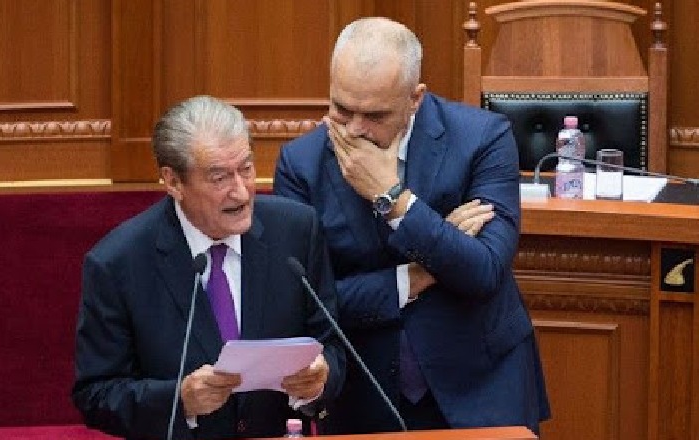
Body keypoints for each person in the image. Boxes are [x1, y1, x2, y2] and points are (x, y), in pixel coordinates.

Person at [274, 17, 550, 434]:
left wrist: (394, 200)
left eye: (375, 115)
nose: (354, 130)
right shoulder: (301, 164)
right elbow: (310, 303)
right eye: (341, 110)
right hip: (366, 396)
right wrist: (417, 275)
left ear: (415, 98)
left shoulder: (482, 137)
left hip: (481, 386)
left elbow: (484, 271)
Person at [73, 95, 345, 439]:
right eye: (219, 178)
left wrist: (320, 379)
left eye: (246, 169)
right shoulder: (118, 263)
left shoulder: (296, 232)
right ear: (173, 182)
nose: (241, 193)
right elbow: (96, 394)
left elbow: (332, 347)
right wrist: (180, 400)